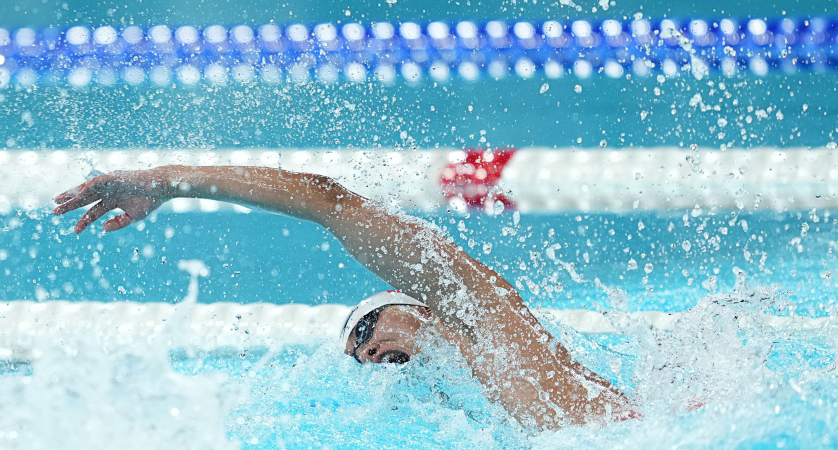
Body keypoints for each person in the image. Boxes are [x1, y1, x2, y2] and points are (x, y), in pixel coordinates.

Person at [53, 165, 633, 429]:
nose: (369, 353)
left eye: (365, 332)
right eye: (361, 358)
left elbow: (329, 202)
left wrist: (170, 180)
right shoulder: (480, 413)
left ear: (413, 302)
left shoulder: (480, 314)